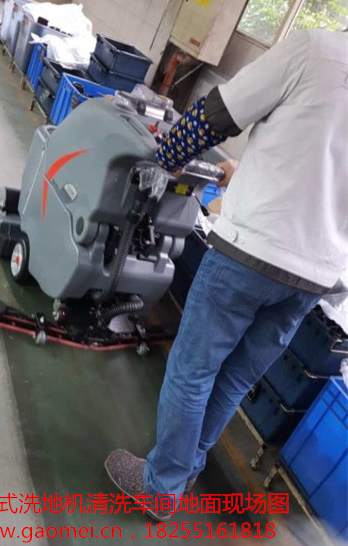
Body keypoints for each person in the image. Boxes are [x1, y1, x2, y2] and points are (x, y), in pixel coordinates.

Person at [104, 28, 348, 521]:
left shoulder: (315, 49)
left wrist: (164, 159)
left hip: (251, 251)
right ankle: (186, 468)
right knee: (234, 378)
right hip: (315, 276)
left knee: (192, 370)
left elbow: (218, 113)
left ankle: (161, 486)